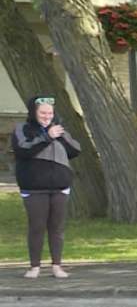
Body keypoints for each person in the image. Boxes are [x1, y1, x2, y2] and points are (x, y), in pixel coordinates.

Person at [12, 95, 79, 279]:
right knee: (37, 226)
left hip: (59, 186)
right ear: (34, 112)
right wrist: (46, 137)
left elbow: (75, 150)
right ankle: (35, 266)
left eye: (50, 112)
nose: (47, 116)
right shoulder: (22, 129)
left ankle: (57, 266)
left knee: (56, 227)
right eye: (43, 112)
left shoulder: (58, 129)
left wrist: (61, 135)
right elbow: (23, 150)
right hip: (34, 187)